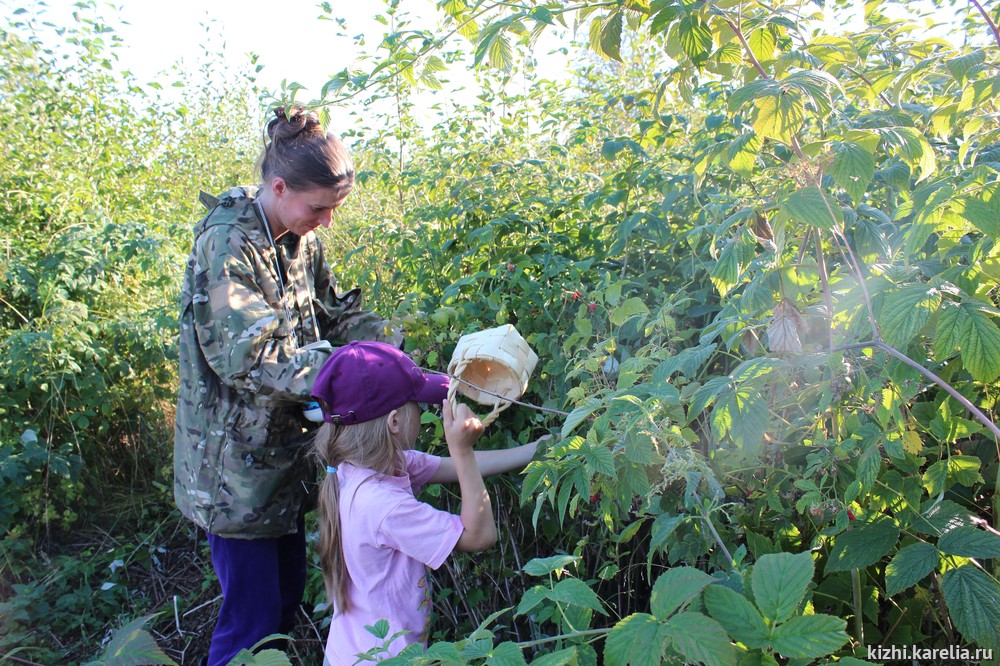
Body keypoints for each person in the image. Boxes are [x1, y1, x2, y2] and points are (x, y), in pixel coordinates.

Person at [173, 106, 400, 666]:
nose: (326, 221)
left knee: (282, 607)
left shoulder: (299, 240)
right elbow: (248, 356)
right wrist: (355, 374)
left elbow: (335, 315)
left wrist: (390, 351)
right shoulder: (228, 244)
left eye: (334, 209)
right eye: (318, 207)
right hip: (235, 478)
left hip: (282, 463)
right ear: (278, 186)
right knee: (250, 625)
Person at [309, 341, 543, 664]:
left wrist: (537, 449)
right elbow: (481, 534)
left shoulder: (369, 466)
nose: (422, 412)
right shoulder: (382, 505)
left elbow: (457, 469)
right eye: (417, 405)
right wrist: (461, 449)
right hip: (382, 659)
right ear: (394, 422)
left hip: (353, 651)